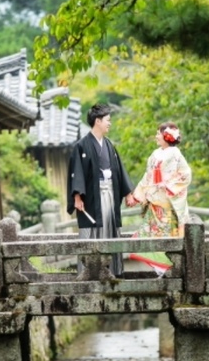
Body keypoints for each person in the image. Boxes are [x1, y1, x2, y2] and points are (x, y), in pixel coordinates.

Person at [67, 103, 135, 277]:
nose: (109, 123)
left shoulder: (109, 145)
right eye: (107, 120)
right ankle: (88, 272)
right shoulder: (81, 146)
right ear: (98, 121)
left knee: (110, 227)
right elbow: (77, 172)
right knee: (91, 231)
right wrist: (77, 197)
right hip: (91, 198)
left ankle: (112, 270)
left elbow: (119, 170)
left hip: (110, 193)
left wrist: (128, 193)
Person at [128, 122, 192, 275]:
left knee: (168, 239)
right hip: (155, 204)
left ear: (166, 136)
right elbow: (148, 177)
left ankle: (168, 270)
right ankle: (160, 270)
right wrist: (137, 195)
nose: (156, 136)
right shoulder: (155, 154)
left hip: (168, 206)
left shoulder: (176, 154)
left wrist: (168, 185)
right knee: (150, 237)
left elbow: (186, 174)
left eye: (158, 133)